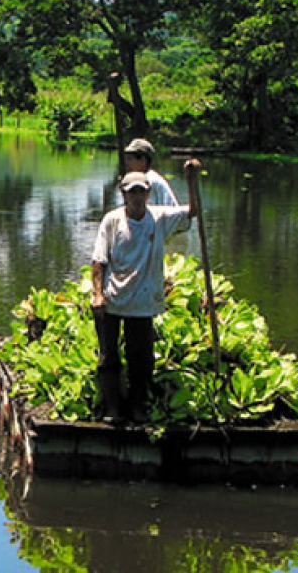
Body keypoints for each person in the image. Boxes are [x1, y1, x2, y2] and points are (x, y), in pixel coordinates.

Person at [91, 160, 201, 424]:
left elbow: (193, 212)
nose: (137, 197)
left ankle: (137, 407)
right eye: (132, 192)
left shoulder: (160, 218)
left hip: (142, 303)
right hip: (114, 298)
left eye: (141, 192)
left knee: (141, 359)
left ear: (148, 193)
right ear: (123, 194)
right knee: (108, 357)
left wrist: (192, 180)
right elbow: (98, 261)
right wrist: (98, 294)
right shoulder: (112, 221)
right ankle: (113, 408)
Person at [122, 138, 180, 207]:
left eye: (130, 159)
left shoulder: (150, 181)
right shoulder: (140, 179)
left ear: (143, 160)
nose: (126, 163)